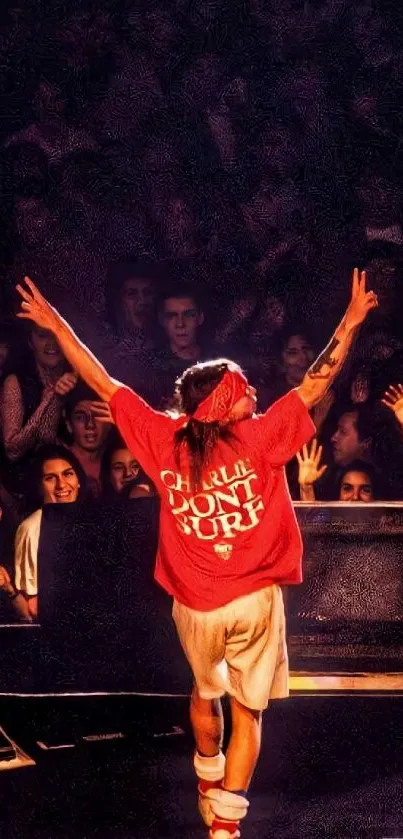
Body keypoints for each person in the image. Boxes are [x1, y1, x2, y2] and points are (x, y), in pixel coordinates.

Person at [16, 269, 378, 839]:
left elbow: (102, 380)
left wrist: (55, 323)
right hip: (254, 601)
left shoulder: (164, 437)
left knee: (205, 692)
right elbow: (315, 383)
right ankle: (225, 825)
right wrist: (353, 321)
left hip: (195, 605)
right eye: (246, 387)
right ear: (227, 400)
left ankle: (207, 779)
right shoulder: (260, 437)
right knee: (247, 712)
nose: (256, 391)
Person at [0, 445, 86, 622]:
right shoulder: (32, 528)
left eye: (68, 474)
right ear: (40, 486)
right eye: (50, 478)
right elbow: (33, 608)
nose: (61, 484)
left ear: (79, 480)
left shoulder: (95, 518)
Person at [0, 323, 77, 496]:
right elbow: (13, 450)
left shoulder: (79, 379)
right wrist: (49, 399)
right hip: (21, 490)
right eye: (43, 335)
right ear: (30, 341)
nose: (52, 343)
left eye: (57, 334)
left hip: (70, 486)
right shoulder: (15, 382)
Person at [63, 383, 112, 497]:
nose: (90, 425)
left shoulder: (118, 461)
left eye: (97, 415)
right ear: (69, 424)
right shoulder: (59, 463)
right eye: (80, 417)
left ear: (110, 423)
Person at [297, 440, 382, 501]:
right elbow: (312, 519)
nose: (355, 497)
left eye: (365, 490)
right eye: (347, 488)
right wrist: (306, 488)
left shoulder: (384, 524)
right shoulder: (331, 522)